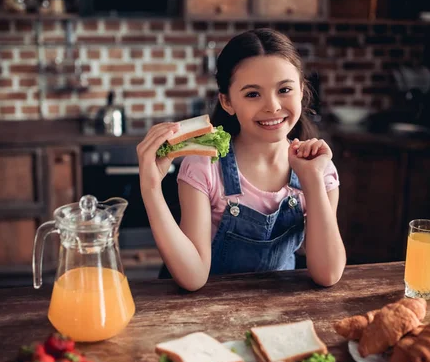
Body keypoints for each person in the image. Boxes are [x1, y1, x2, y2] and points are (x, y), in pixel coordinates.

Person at [136, 28, 346, 291]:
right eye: (252, 94)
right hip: (212, 311)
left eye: (284, 89)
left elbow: (327, 274)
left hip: (279, 315)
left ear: (302, 91)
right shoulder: (204, 166)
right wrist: (151, 188)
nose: (272, 106)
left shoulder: (319, 168)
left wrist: (312, 180)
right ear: (227, 101)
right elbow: (193, 278)